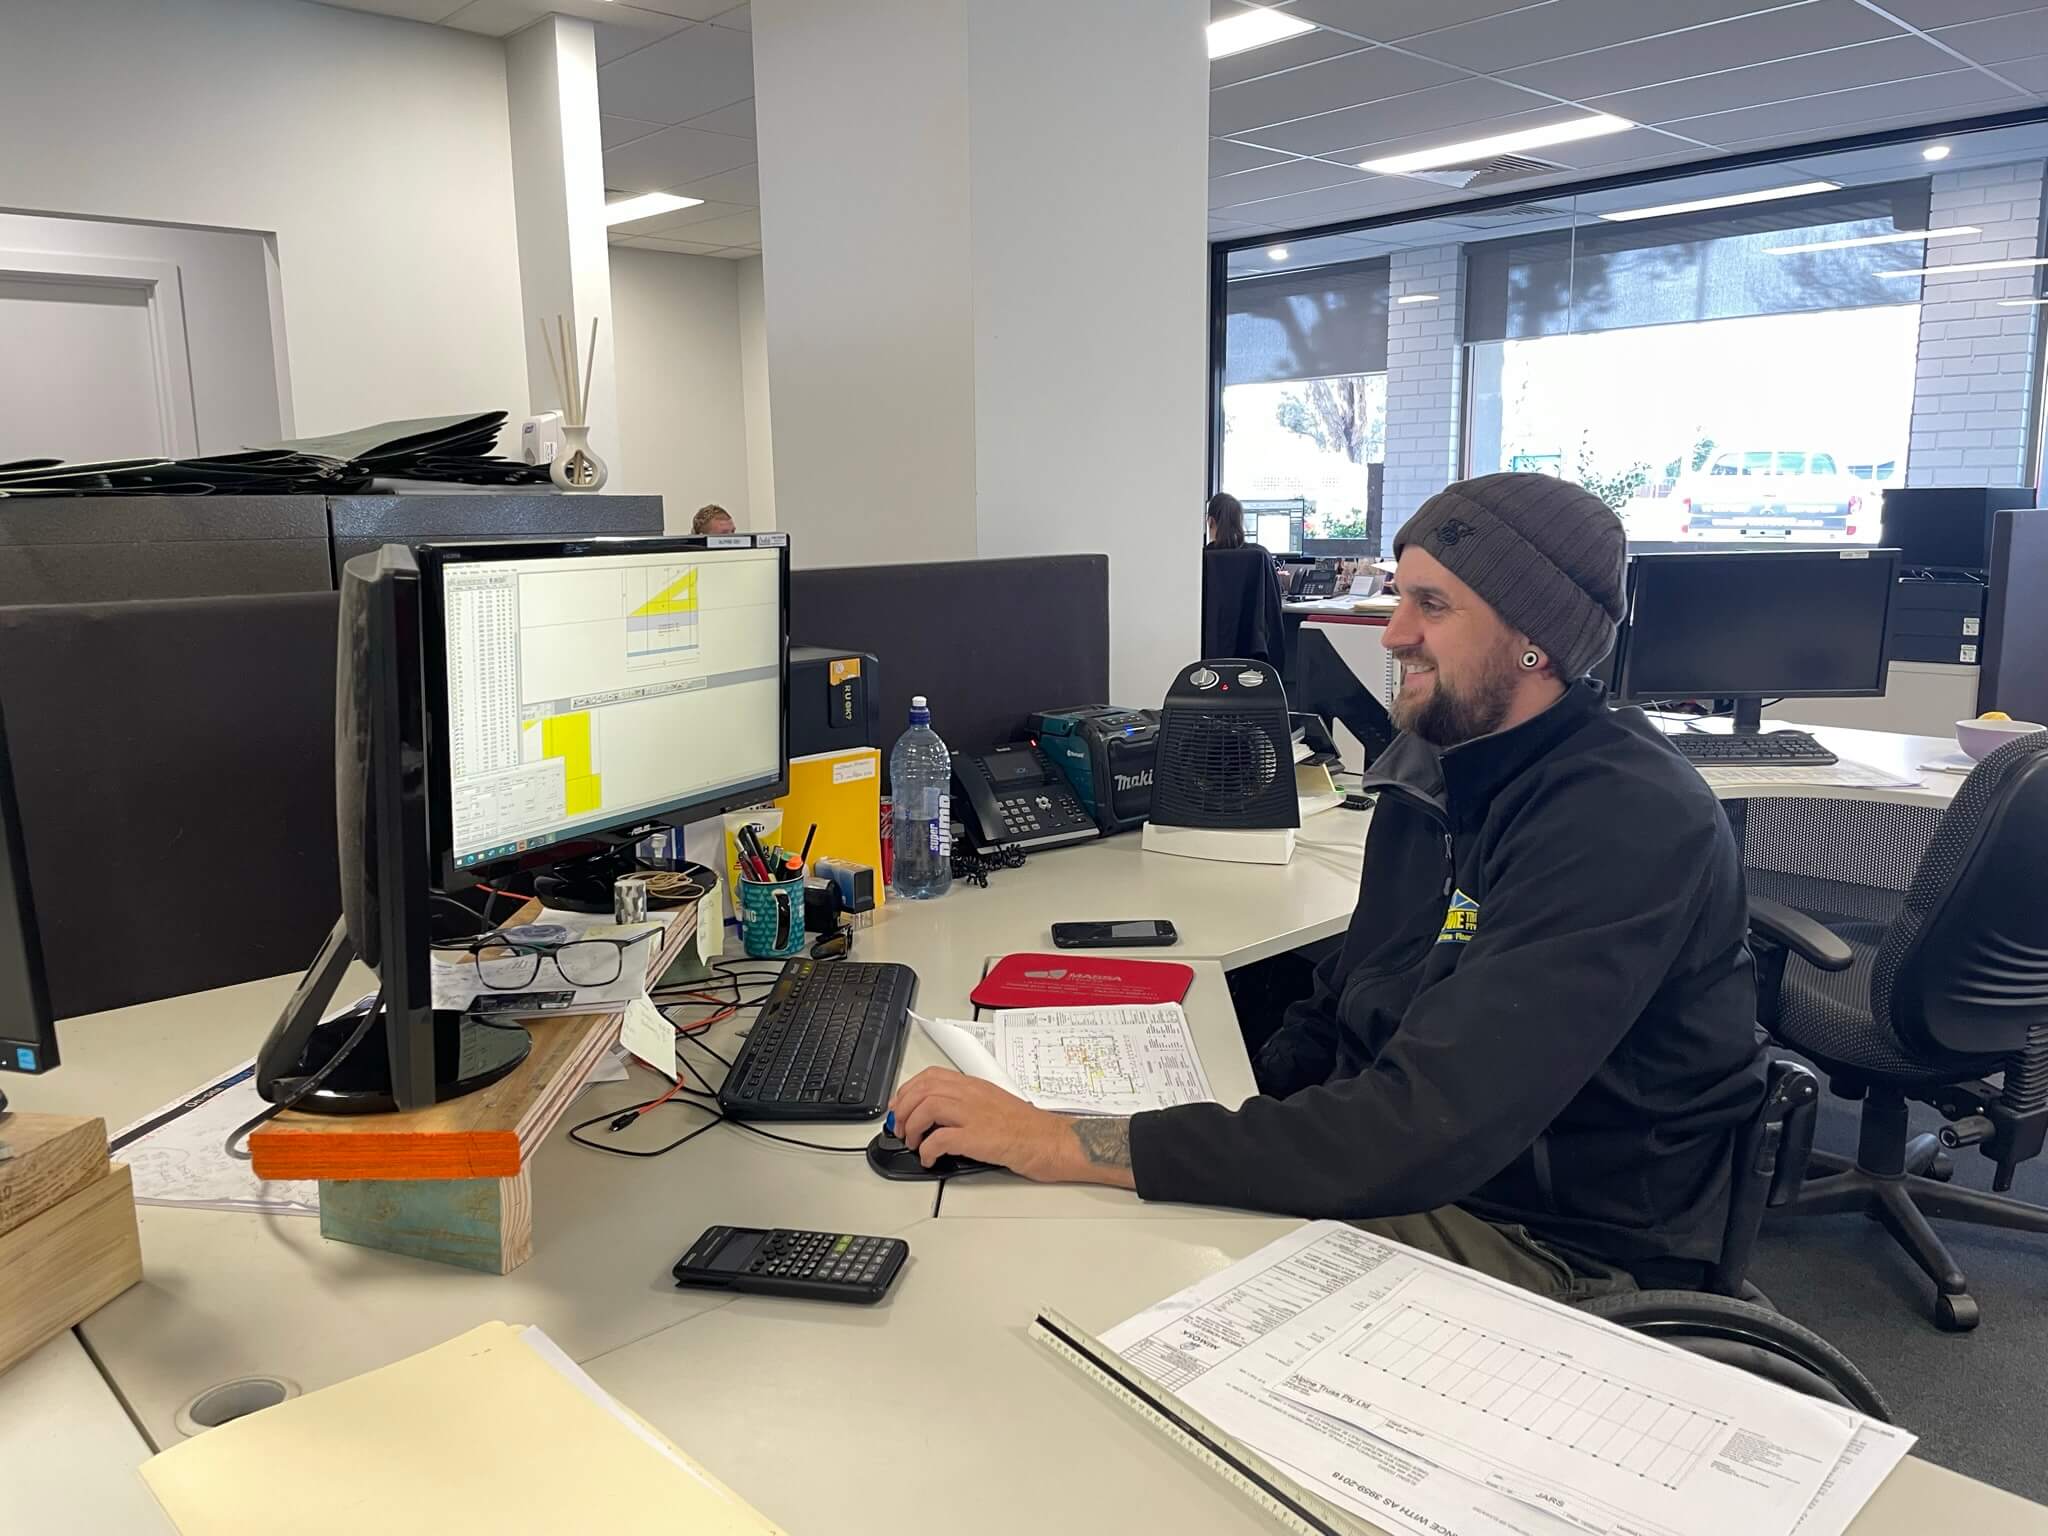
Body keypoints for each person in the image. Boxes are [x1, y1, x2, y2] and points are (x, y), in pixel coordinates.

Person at [890, 472, 1765, 1300]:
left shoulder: (1622, 819)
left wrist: (1065, 1140)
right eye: (1400, 595)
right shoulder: (1436, 768)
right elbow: (1346, 998)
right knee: (1082, 1218)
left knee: (1118, 1264)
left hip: (1550, 1241)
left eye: (1432, 605)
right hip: (1421, 1172)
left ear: (1537, 640)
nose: (1393, 633)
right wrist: (1207, 1104)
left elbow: (1423, 1126)